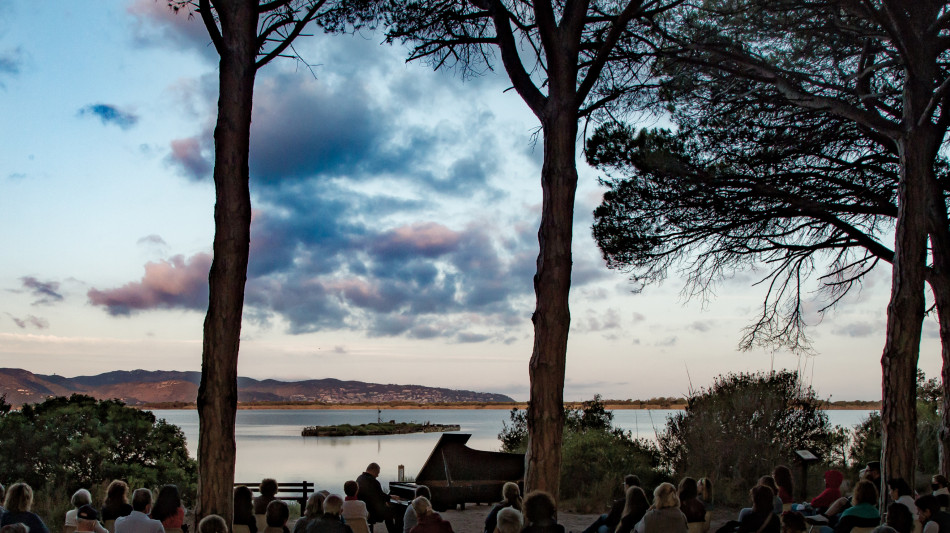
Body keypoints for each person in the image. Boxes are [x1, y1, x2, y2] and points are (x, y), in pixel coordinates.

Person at [357, 463, 396, 533]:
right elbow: (380, 496)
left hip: (362, 508)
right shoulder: (374, 481)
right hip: (372, 511)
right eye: (377, 473)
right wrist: (390, 498)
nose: (377, 475)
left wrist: (386, 499)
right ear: (373, 470)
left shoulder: (359, 478)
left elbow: (375, 496)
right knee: (389, 513)